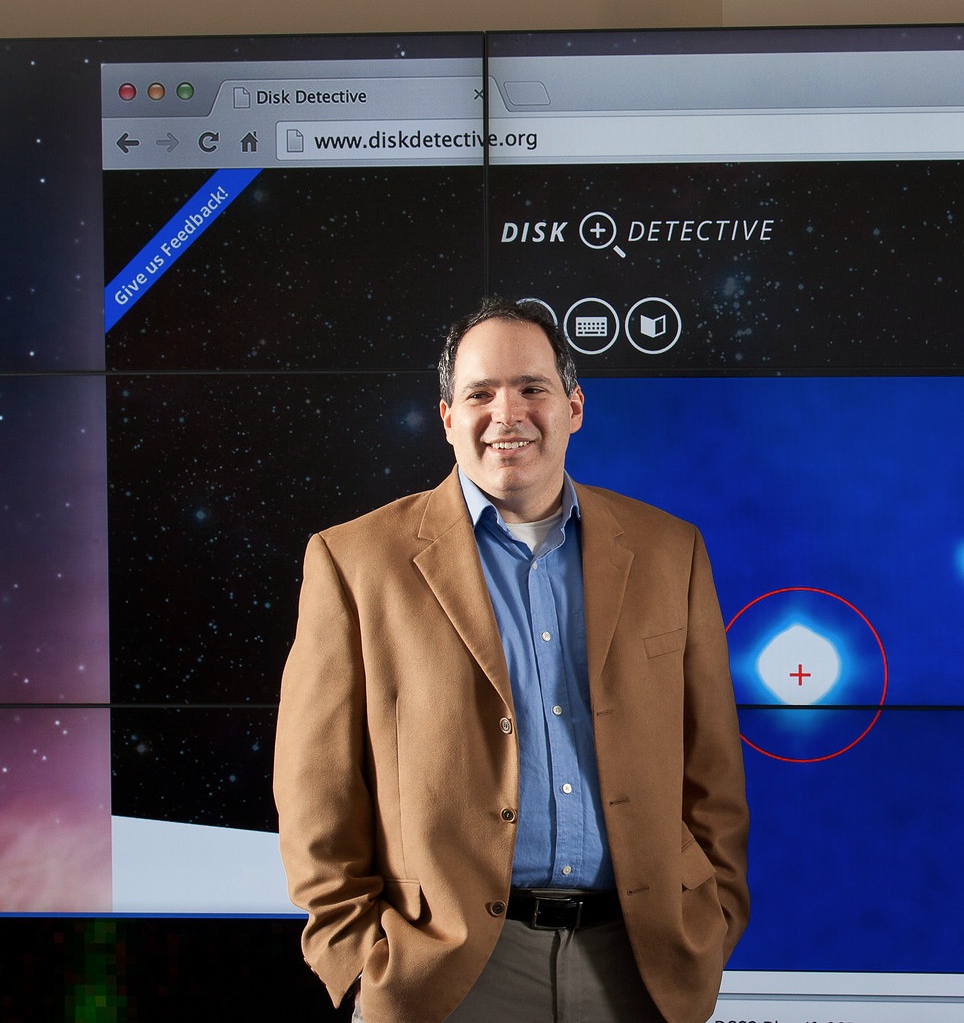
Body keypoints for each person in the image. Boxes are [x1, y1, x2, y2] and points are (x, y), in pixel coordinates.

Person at [274, 296, 750, 1023]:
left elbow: (712, 766)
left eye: (532, 387)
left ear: (574, 406)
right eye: (480, 392)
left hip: (640, 965)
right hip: (445, 975)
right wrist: (361, 956)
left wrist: (709, 919)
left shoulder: (669, 550)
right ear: (446, 417)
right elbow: (316, 790)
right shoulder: (354, 561)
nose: (508, 412)